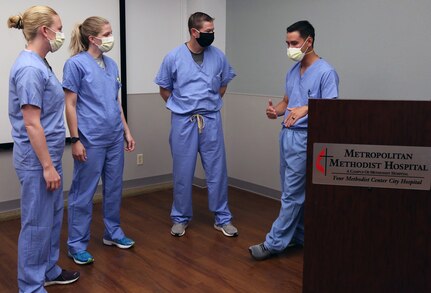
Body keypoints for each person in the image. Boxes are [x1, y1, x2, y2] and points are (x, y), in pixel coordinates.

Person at [249, 20, 339, 260]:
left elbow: (331, 109)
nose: (290, 48)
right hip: (286, 136)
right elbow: (288, 102)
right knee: (290, 191)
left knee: (292, 194)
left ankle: (274, 243)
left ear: (309, 41)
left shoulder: (326, 72)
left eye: (294, 43)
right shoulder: (293, 70)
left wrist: (306, 109)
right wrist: (275, 112)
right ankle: (299, 236)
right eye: (287, 43)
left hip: (306, 138)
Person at [7, 5, 80, 292]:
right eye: (58, 28)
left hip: (47, 154)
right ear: (44, 31)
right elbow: (32, 124)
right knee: (36, 224)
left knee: (50, 220)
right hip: (37, 160)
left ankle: (48, 269)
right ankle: (30, 285)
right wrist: (47, 166)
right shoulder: (28, 68)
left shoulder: (40, 62)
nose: (61, 34)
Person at [155, 12, 238, 237]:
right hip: (184, 121)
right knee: (182, 171)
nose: (211, 35)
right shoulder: (173, 57)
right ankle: (180, 218)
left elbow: (223, 84)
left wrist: (210, 103)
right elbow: (164, 88)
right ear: (194, 32)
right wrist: (182, 106)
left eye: (213, 31)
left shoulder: (218, 57)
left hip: (211, 119)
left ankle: (223, 218)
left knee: (217, 170)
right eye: (208, 32)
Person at [63, 16, 135, 265]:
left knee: (114, 189)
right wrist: (75, 139)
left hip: (114, 136)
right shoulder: (76, 65)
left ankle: (112, 233)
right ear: (92, 38)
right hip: (90, 139)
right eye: (107, 33)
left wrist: (126, 130)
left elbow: (116, 101)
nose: (110, 38)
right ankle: (76, 244)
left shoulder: (112, 64)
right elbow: (70, 105)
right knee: (83, 194)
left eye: (111, 32)